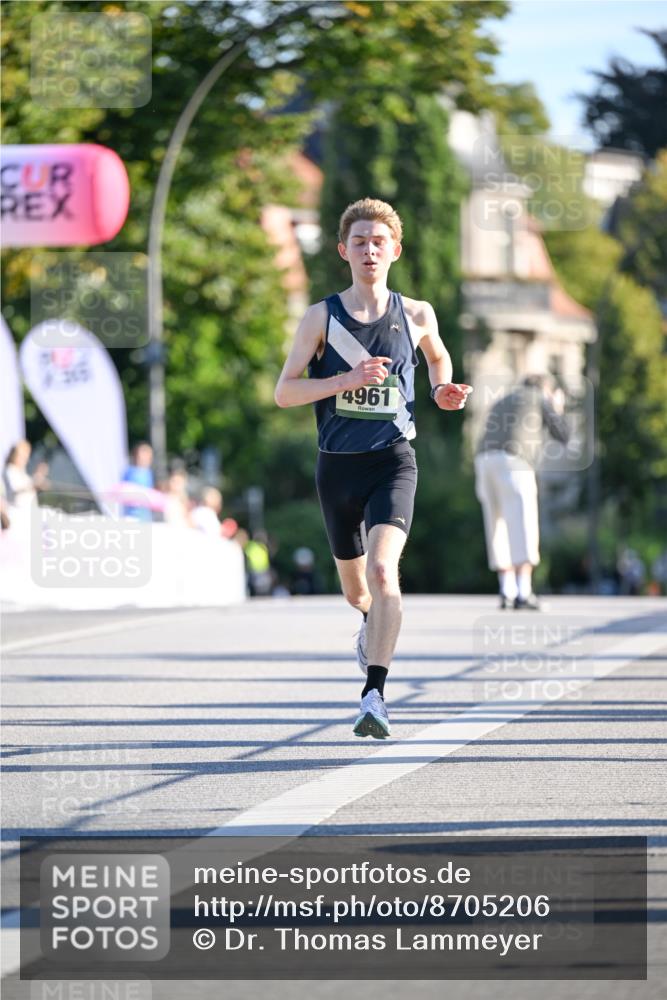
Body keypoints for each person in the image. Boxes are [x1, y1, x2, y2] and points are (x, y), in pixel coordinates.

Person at [275, 197, 471, 739]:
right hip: (337, 468)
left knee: (385, 572)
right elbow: (285, 392)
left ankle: (374, 695)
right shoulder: (322, 317)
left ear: (395, 251)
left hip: (393, 461)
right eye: (359, 242)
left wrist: (440, 388)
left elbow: (437, 355)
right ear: (343, 250)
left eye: (378, 242)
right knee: (357, 592)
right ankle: (369, 624)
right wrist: (345, 380)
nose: (369, 250)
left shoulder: (417, 313)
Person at [474, 374, 570, 610]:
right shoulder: (540, 397)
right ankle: (523, 592)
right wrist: (557, 407)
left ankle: (506, 590)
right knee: (523, 523)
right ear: (546, 388)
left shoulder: (503, 399)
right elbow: (563, 434)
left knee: (496, 524)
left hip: (484, 461)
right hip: (514, 461)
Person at [121, 442, 155, 521]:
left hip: (145, 516)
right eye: (142, 456)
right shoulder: (129, 472)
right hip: (132, 515)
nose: (144, 459)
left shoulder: (149, 473)